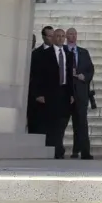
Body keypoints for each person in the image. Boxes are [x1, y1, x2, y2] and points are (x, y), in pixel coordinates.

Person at [26, 25, 71, 157]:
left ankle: (58, 149)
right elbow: (37, 75)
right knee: (49, 123)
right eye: (56, 36)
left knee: (60, 123)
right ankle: (53, 149)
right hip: (49, 93)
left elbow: (69, 76)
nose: (59, 39)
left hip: (64, 94)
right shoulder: (42, 55)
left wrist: (72, 94)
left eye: (63, 36)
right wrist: (37, 94)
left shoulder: (69, 54)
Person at [64, 26, 96, 159]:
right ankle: (57, 149)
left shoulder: (83, 52)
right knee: (62, 122)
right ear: (66, 37)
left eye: (74, 34)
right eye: (70, 34)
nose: (72, 36)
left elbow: (90, 69)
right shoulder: (62, 51)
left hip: (81, 92)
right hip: (66, 92)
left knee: (81, 123)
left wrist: (85, 77)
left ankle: (83, 151)